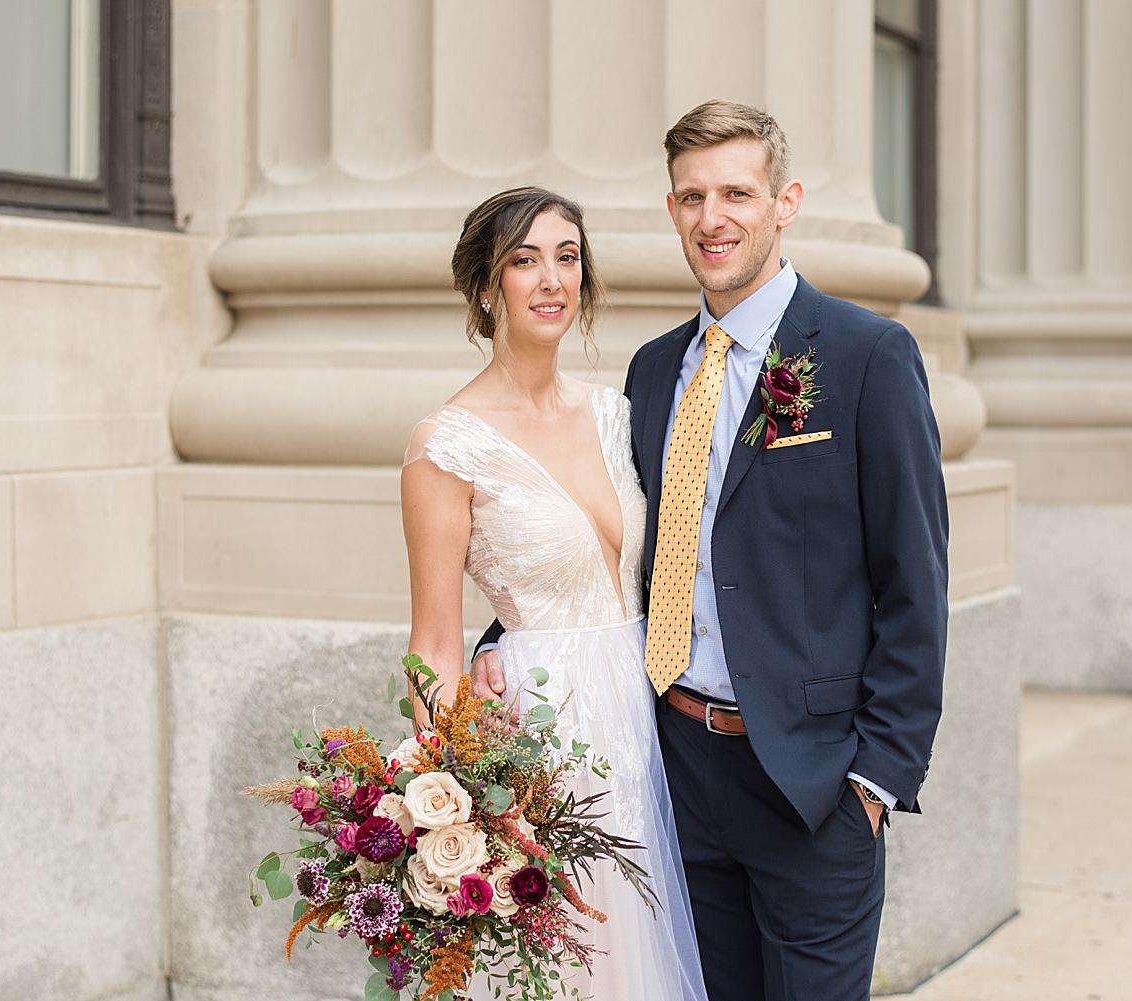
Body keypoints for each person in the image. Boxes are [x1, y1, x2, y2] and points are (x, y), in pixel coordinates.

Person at [470, 101, 949, 1001]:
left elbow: (915, 579)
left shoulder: (864, 355)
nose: (713, 217)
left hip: (813, 783)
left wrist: (876, 776)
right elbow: (608, 544)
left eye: (737, 191)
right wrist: (505, 641)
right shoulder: (654, 371)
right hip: (673, 768)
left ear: (784, 202)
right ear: (672, 211)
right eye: (693, 197)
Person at [400, 186, 708, 1001]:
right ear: (484, 288)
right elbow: (431, 644)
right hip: (544, 739)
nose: (550, 280)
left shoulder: (616, 413)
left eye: (566, 258)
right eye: (524, 260)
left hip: (646, 726)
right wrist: (464, 809)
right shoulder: (446, 445)